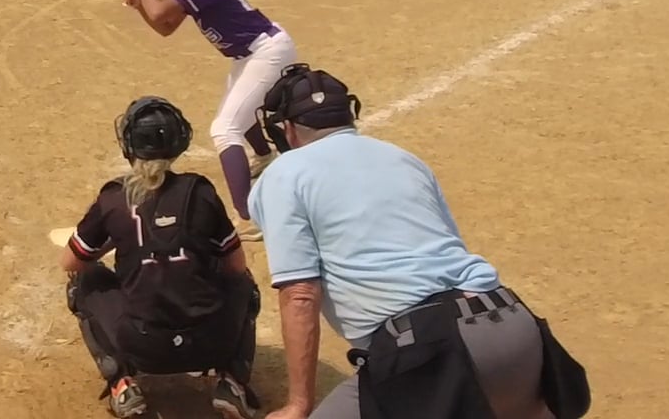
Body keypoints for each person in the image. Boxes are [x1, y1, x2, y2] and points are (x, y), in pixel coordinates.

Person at [248, 64, 589, 419]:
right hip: (515, 326)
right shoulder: (404, 158)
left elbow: (300, 294)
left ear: (286, 129)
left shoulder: (284, 174)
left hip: (432, 349)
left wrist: (298, 404)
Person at [60, 96, 264, 419]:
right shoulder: (200, 192)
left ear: (129, 146)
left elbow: (70, 262)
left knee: (85, 279)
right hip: (211, 342)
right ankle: (233, 382)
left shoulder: (113, 198)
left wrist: (115, 241)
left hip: (142, 347)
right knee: (244, 283)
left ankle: (121, 384)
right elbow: (236, 266)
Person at [124, 0, 297, 245]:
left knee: (225, 128)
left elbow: (161, 14)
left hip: (266, 52)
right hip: (252, 53)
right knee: (238, 109)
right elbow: (165, 27)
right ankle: (264, 158)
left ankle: (249, 217)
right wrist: (140, 6)